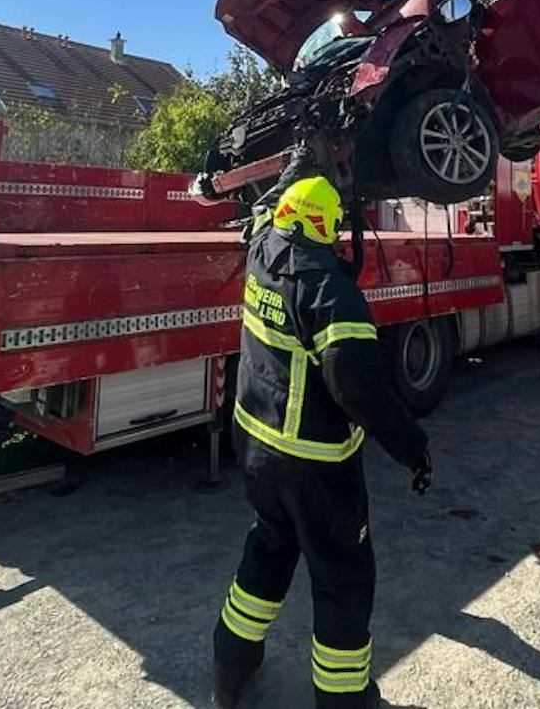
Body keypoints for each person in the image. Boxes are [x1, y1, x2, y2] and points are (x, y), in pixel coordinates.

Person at [212, 173, 433, 709]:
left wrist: (303, 164)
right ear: (329, 228)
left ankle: (231, 665)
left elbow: (266, 205)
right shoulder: (331, 293)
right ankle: (344, 699)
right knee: (343, 579)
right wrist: (413, 448)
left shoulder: (264, 246)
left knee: (268, 549)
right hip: (315, 465)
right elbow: (361, 388)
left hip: (258, 451)